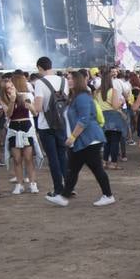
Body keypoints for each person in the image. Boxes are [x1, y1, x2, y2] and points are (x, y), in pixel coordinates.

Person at [45, 69, 116, 208]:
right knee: (74, 169)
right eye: (68, 78)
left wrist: (72, 136)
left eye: (71, 78)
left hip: (88, 140)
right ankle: (64, 196)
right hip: (83, 140)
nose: (69, 80)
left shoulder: (82, 97)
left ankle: (108, 195)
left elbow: (84, 119)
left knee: (92, 169)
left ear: (78, 80)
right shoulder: (76, 97)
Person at [31, 57, 71, 198]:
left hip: (45, 125)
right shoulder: (63, 81)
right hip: (61, 123)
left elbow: (38, 108)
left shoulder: (40, 83)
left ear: (39, 68)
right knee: (63, 156)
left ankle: (58, 189)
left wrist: (29, 105)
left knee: (53, 158)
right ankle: (69, 186)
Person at [5, 73, 38, 195]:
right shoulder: (5, 99)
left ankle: (32, 183)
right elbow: (8, 114)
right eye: (8, 87)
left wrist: (30, 107)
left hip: (26, 126)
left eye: (11, 86)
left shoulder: (25, 96)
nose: (10, 89)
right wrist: (12, 101)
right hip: (13, 127)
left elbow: (35, 113)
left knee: (28, 158)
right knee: (17, 159)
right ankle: (19, 184)